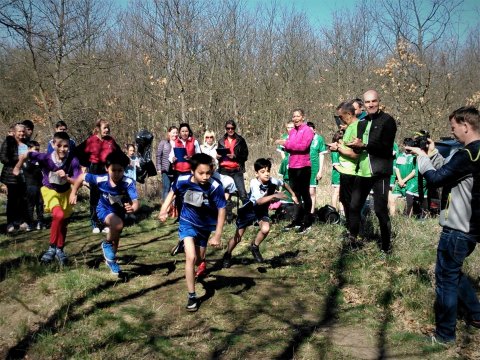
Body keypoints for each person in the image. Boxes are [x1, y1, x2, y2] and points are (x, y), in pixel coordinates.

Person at [407, 106, 480, 345]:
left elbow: (437, 179)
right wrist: (434, 154)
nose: (453, 133)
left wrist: (422, 159)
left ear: (466, 126)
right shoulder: (472, 155)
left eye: (454, 128)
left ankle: (444, 335)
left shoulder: (467, 154)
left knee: (445, 279)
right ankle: (477, 315)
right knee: (454, 273)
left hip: (458, 228)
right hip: (471, 228)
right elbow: (454, 174)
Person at [158, 153, 226, 312]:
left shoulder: (215, 187)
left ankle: (184, 245)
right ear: (192, 171)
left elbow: (222, 210)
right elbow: (172, 193)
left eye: (208, 173)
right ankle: (192, 295)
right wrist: (163, 210)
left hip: (205, 226)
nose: (205, 176)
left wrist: (217, 234)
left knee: (199, 259)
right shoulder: (182, 180)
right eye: (201, 173)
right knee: (191, 257)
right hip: (187, 222)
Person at [14, 132, 82, 264]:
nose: (62, 149)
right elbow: (26, 153)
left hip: (66, 193)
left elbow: (78, 180)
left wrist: (67, 179)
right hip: (50, 191)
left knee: (63, 222)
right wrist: (18, 166)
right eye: (59, 145)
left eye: (66, 146)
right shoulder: (45, 157)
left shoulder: (73, 160)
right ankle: (51, 248)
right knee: (59, 215)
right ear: (53, 144)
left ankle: (60, 249)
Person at [70, 151, 139, 275]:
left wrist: (133, 208)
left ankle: (111, 261)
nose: (117, 174)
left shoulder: (128, 182)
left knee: (116, 238)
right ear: (107, 168)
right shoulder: (100, 179)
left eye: (120, 170)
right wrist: (73, 192)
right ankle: (106, 244)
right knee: (117, 225)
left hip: (119, 212)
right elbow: (81, 177)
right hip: (103, 210)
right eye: (114, 170)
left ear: (124, 169)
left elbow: (135, 201)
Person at [347, 90, 397, 254]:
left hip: (380, 172)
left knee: (380, 211)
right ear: (363, 104)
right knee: (353, 207)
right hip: (362, 171)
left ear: (379, 101)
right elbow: (360, 147)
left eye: (373, 101)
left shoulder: (388, 121)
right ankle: (353, 242)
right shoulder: (362, 122)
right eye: (367, 102)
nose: (371, 105)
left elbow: (386, 147)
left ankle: (385, 247)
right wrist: (352, 146)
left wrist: (365, 146)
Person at [222, 158, 297, 268]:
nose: (266, 174)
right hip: (249, 210)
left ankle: (254, 246)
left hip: (261, 211)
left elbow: (284, 183)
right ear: (256, 173)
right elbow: (259, 201)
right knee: (238, 237)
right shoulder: (254, 183)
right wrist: (274, 196)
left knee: (266, 229)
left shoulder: (273, 181)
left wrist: (293, 194)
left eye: (268, 171)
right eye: (262, 172)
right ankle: (227, 254)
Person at [75, 119, 119, 234]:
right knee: (95, 196)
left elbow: (118, 153)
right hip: (95, 169)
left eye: (108, 128)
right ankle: (95, 222)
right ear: (98, 128)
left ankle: (105, 222)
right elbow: (78, 152)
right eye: (105, 127)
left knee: (106, 196)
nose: (107, 130)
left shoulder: (111, 141)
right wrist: (86, 164)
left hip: (107, 170)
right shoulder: (91, 140)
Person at [275, 109, 314, 234]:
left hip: (303, 167)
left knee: (305, 194)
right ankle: (296, 220)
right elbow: (292, 148)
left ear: (303, 117)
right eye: (294, 116)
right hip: (292, 166)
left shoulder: (307, 130)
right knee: (295, 195)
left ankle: (307, 222)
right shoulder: (292, 132)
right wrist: (288, 144)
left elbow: (303, 146)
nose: (295, 118)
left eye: (298, 116)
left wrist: (286, 143)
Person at [328, 102, 359, 228]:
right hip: (345, 170)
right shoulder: (349, 127)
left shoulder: (356, 127)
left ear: (349, 114)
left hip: (351, 171)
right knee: (345, 201)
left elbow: (355, 154)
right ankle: (351, 227)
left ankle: (353, 229)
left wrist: (338, 149)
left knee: (350, 202)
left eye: (341, 117)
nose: (340, 120)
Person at [0, 123, 29, 233]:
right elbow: (3, 158)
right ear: (14, 132)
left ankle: (22, 221)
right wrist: (18, 160)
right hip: (11, 177)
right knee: (12, 200)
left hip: (24, 176)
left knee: (23, 200)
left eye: (23, 131)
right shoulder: (8, 142)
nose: (21, 133)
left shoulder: (26, 143)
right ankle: (10, 223)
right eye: (19, 131)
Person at [217, 119, 249, 204]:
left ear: (235, 128)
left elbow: (245, 156)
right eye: (228, 128)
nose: (230, 130)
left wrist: (235, 156)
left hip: (236, 170)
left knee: (242, 193)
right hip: (224, 170)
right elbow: (219, 154)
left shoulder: (240, 140)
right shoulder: (221, 141)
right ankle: (227, 214)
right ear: (225, 129)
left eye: (232, 128)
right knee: (223, 193)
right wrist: (218, 157)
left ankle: (248, 214)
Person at [23, 140, 45, 231]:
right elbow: (27, 169)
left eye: (38, 150)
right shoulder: (25, 159)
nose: (37, 152)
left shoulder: (40, 160)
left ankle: (40, 222)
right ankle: (30, 223)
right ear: (29, 149)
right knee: (30, 205)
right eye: (35, 149)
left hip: (40, 185)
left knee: (40, 204)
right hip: (30, 186)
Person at [306, 121, 327, 213]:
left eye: (311, 131)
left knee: (311, 191)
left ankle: (311, 212)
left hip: (314, 169)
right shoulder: (303, 139)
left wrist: (320, 171)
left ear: (314, 130)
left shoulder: (319, 139)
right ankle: (303, 211)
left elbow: (321, 155)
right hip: (302, 168)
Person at [156, 126, 178, 202]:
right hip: (166, 169)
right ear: (169, 133)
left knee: (175, 188)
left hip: (176, 169)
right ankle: (165, 209)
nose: (175, 134)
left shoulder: (179, 143)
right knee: (166, 188)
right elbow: (158, 155)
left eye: (176, 133)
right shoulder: (163, 142)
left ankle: (174, 208)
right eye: (173, 133)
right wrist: (159, 168)